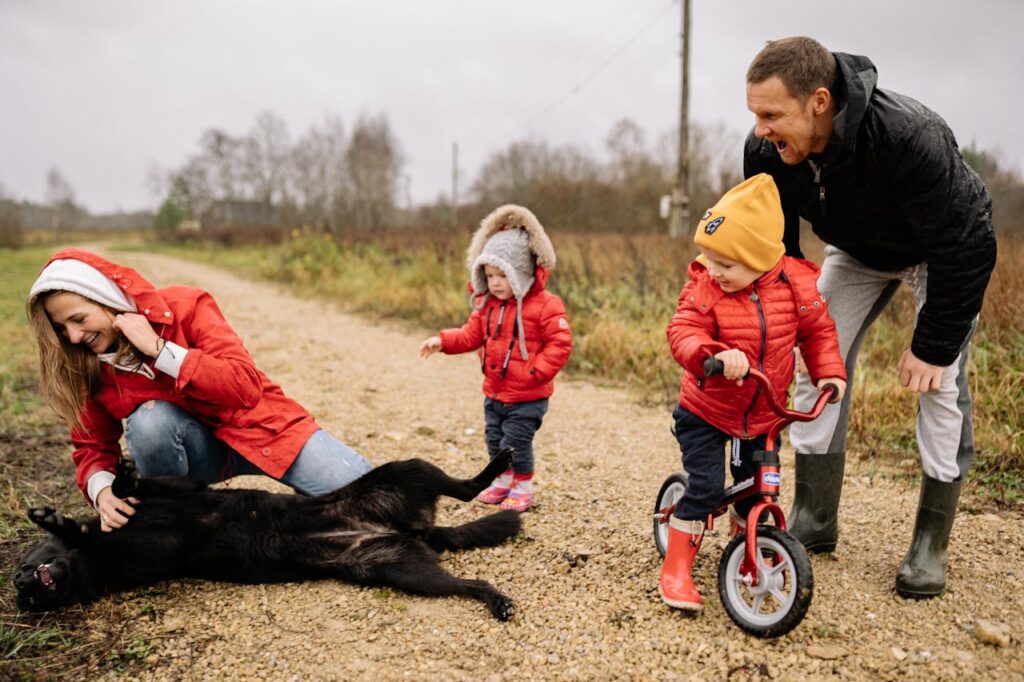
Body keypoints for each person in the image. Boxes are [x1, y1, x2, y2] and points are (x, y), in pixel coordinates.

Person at [744, 36, 997, 598]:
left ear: (818, 101)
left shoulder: (909, 137)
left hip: (939, 254)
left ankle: (930, 544)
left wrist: (932, 345)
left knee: (940, 382)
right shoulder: (768, 150)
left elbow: (969, 241)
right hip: (856, 253)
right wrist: (792, 313)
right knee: (814, 361)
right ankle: (814, 515)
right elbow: (778, 244)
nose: (760, 129)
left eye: (771, 114)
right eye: (754, 114)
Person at [27, 249, 373, 532]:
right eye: (61, 329)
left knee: (375, 505)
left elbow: (244, 386)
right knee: (150, 423)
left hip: (266, 433)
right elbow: (91, 445)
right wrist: (101, 491)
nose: (72, 337)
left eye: (79, 319)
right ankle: (179, 520)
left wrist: (160, 350)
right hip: (197, 455)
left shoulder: (187, 306)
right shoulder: (84, 362)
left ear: (105, 299)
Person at [661, 173, 847, 611]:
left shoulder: (798, 285)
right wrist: (713, 354)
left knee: (759, 491)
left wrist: (829, 373)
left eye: (726, 263)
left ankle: (748, 541)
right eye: (709, 258)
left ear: (762, 257)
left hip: (763, 412)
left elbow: (818, 333)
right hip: (706, 411)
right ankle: (676, 569)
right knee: (706, 488)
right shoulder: (705, 286)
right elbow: (682, 331)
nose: (714, 270)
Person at [420, 205, 572, 513]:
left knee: (515, 441)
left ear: (523, 271)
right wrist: (443, 341)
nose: (495, 282)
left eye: (503, 274)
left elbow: (560, 342)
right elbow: (470, 335)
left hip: (528, 394)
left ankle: (523, 485)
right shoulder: (488, 306)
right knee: (494, 439)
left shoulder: (545, 306)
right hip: (495, 391)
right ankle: (501, 480)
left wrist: (537, 371)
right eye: (489, 275)